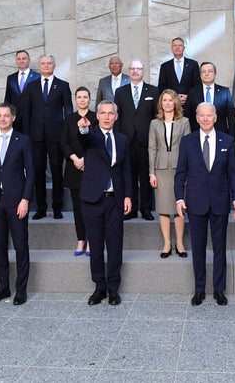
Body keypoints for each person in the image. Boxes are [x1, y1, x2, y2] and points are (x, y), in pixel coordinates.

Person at [175, 103, 235, 306]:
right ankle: (199, 289)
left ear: (215, 117)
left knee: (219, 248)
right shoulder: (187, 142)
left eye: (209, 115)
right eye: (201, 115)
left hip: (220, 202)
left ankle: (219, 289)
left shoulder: (227, 141)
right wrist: (179, 198)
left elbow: (233, 174)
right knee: (198, 247)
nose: (205, 119)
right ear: (196, 118)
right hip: (195, 202)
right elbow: (180, 173)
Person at [0, 103, 35, 306]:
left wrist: (25, 200)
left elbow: (31, 174)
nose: (2, 119)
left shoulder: (23, 140)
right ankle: (3, 288)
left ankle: (21, 289)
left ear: (13, 118)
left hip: (17, 201)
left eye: (6, 116)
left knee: (20, 246)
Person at [78, 100, 132, 306]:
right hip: (92, 200)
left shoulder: (122, 140)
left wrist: (127, 196)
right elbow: (83, 138)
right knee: (96, 245)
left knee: (115, 246)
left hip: (115, 201)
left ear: (116, 116)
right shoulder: (91, 136)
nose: (107, 116)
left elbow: (126, 170)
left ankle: (113, 289)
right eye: (103, 113)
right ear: (97, 116)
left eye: (111, 113)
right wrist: (83, 129)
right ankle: (99, 287)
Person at [22, 54, 73, 220]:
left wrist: (67, 135)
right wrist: (27, 137)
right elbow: (26, 113)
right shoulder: (31, 86)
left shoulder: (63, 86)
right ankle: (41, 207)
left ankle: (57, 207)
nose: (46, 66)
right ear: (40, 65)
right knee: (38, 172)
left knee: (57, 172)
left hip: (56, 136)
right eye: (43, 63)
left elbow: (69, 113)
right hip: (36, 137)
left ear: (54, 65)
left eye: (49, 63)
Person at [114, 59, 159, 221]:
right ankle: (131, 208)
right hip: (126, 141)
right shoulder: (120, 91)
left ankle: (146, 208)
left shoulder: (153, 91)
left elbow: (156, 118)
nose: (135, 71)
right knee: (129, 176)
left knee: (146, 176)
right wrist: (118, 139)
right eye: (132, 68)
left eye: (138, 68)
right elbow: (117, 118)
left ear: (143, 71)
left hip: (146, 141)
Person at [148, 89, 191, 258]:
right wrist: (152, 173)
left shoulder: (184, 121)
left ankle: (179, 242)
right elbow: (152, 149)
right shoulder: (154, 123)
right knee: (163, 207)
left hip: (179, 169)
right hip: (160, 169)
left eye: (170, 100)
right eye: (164, 100)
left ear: (175, 102)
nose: (167, 103)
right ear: (161, 103)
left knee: (179, 207)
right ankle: (167, 242)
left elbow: (188, 148)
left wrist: (187, 172)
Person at [61, 87, 98, 256]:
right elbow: (64, 143)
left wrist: (86, 160)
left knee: (91, 206)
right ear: (75, 100)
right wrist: (75, 158)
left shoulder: (95, 118)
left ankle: (91, 240)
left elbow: (97, 141)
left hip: (91, 169)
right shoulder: (69, 119)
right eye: (79, 97)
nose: (82, 100)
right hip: (73, 168)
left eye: (85, 97)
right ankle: (81, 240)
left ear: (90, 99)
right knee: (77, 208)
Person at [185, 62, 235, 138]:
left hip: (221, 135)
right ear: (200, 75)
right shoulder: (192, 92)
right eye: (203, 72)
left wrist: (231, 138)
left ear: (215, 74)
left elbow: (231, 117)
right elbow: (187, 116)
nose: (207, 74)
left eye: (210, 71)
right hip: (197, 136)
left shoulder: (224, 91)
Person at [4, 50, 40, 133]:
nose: (21, 61)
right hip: (15, 119)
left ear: (29, 60)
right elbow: (8, 99)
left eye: (24, 58)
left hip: (32, 119)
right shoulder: (11, 78)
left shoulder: (37, 77)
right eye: (19, 59)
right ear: (16, 61)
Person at [157, 37, 200, 107]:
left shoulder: (193, 64)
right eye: (175, 45)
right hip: (171, 105)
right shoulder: (165, 66)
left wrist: (188, 96)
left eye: (180, 45)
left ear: (184, 48)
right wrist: (173, 97)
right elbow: (162, 87)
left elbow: (197, 85)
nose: (177, 47)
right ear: (171, 48)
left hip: (189, 104)